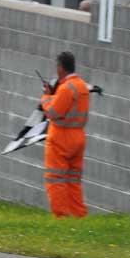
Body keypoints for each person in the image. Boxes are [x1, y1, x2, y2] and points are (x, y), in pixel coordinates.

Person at [40, 52, 90, 218]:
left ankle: (61, 216)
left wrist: (46, 97)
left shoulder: (66, 88)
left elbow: (53, 113)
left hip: (61, 138)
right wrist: (55, 95)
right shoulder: (81, 86)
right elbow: (69, 108)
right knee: (73, 179)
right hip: (78, 137)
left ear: (61, 67)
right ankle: (78, 214)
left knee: (55, 178)